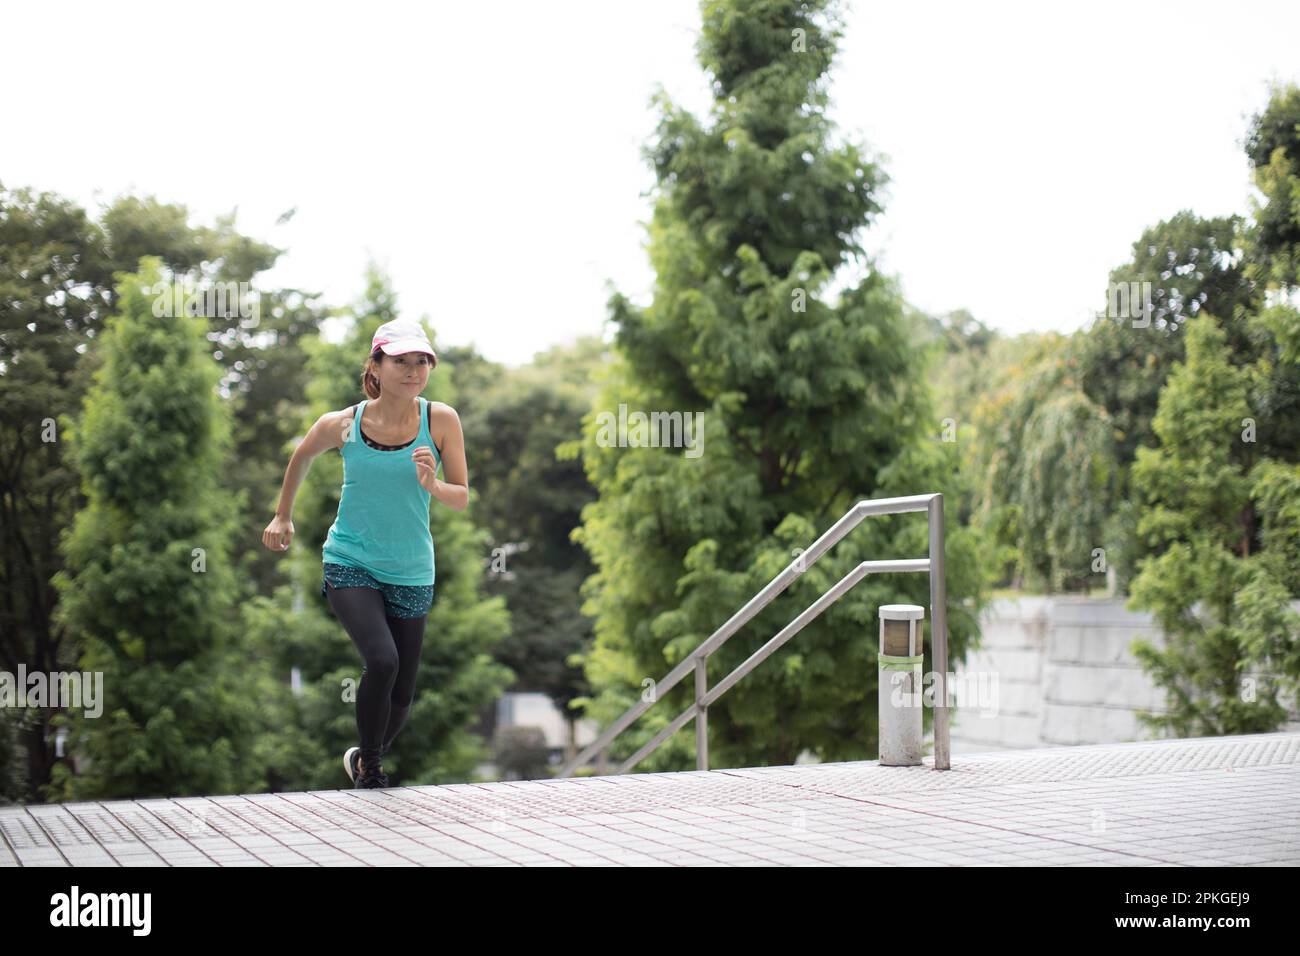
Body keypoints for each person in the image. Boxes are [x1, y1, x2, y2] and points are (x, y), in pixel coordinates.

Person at [261, 318, 469, 789]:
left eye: (421, 361)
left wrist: (433, 483)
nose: (413, 371)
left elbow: (461, 494)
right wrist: (283, 516)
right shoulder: (344, 424)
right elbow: (303, 456)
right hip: (351, 560)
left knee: (403, 694)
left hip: (412, 569)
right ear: (375, 366)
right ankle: (371, 768)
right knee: (383, 660)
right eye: (400, 361)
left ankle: (362, 754)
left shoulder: (441, 420)